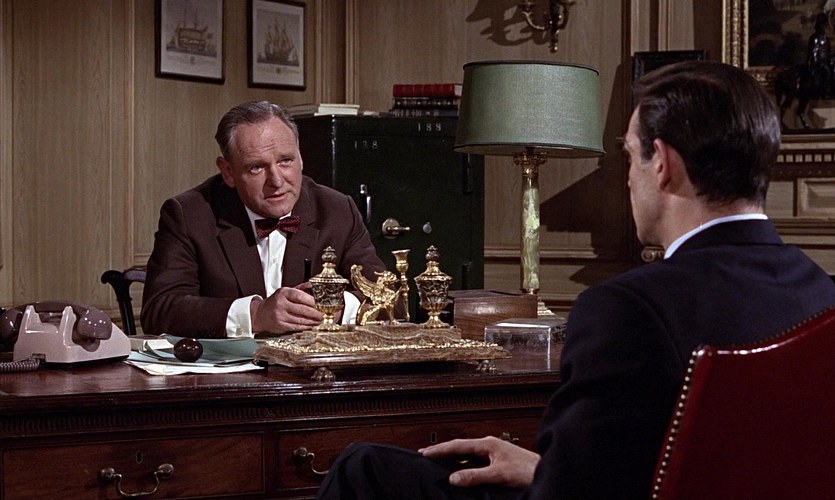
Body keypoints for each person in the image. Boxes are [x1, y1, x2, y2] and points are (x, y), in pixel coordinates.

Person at [314, 61, 835, 499]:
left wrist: (552, 476)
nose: (627, 177)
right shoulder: (820, 293)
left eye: (629, 155)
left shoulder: (626, 309)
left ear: (662, 164)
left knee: (364, 469)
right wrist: (546, 467)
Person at [141, 101, 388, 338]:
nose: (277, 181)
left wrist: (336, 307)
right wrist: (256, 315)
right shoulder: (189, 215)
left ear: (301, 158)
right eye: (256, 167)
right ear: (228, 172)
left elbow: (388, 297)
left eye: (285, 161)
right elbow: (160, 310)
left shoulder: (336, 210)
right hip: (230, 367)